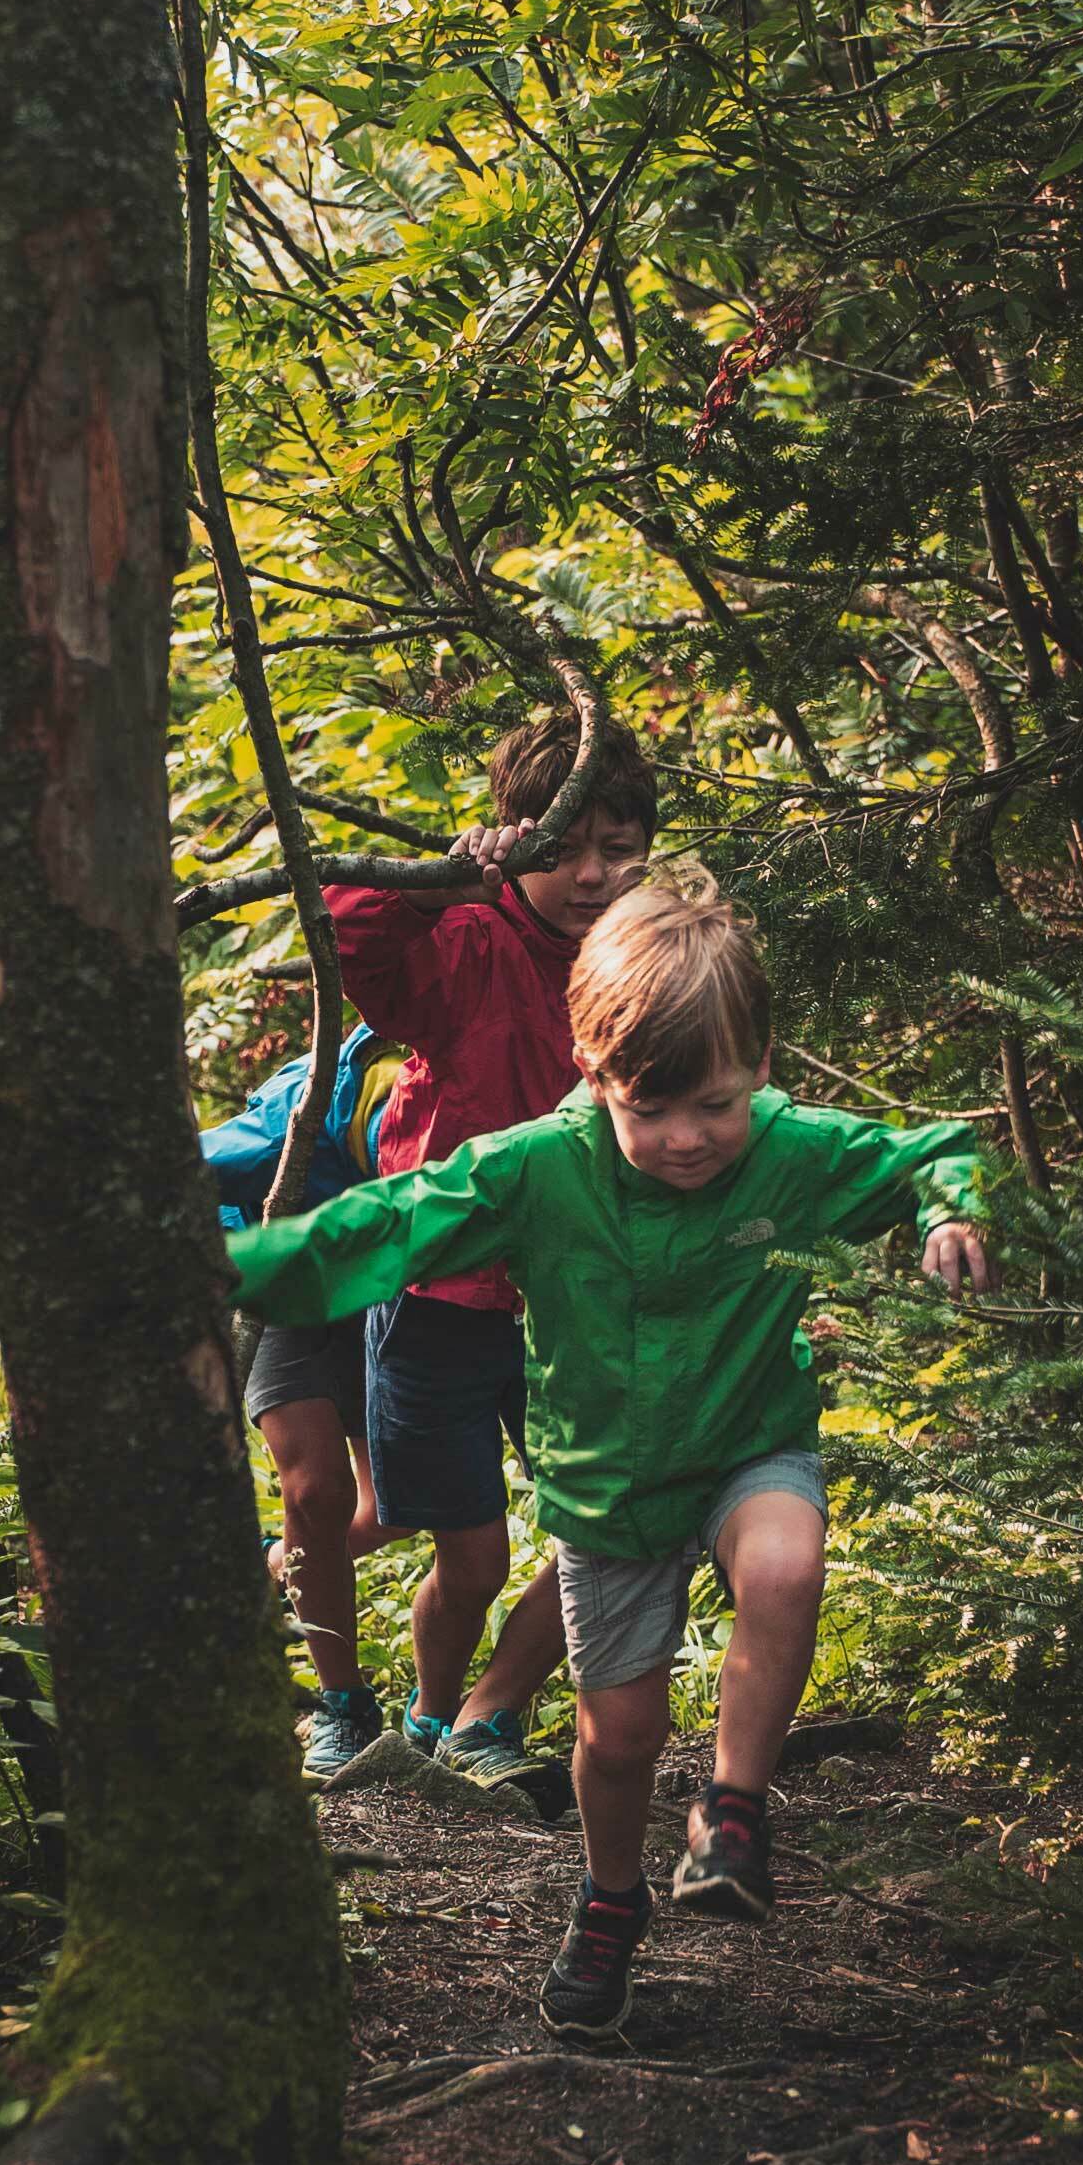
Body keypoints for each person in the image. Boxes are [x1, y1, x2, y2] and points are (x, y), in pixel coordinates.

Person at [230, 868, 991, 2042]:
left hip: (749, 1446)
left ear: (762, 1067)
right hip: (608, 1486)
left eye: (719, 1106)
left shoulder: (788, 1149)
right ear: (592, 1071)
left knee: (785, 1568)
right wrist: (231, 1267)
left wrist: (949, 1208)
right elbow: (385, 1225)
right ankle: (610, 1897)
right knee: (619, 1739)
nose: (689, 1139)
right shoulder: (536, 1166)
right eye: (652, 1110)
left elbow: (925, 1150)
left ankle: (733, 1813)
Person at [322, 708, 663, 1815]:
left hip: (587, 1298)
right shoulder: (466, 943)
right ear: (511, 839)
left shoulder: (651, 961)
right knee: (465, 1557)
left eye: (616, 849)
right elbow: (355, 938)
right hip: (443, 1296)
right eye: (558, 849)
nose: (590, 875)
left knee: (622, 1517)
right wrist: (438, 883)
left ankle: (488, 1716)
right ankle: (426, 1716)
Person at [201, 1021, 413, 1783]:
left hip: (388, 1296)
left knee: (398, 1505)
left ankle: (258, 1572)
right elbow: (189, 1166)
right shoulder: (304, 1103)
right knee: (316, 1491)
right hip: (284, 1289)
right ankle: (339, 1703)